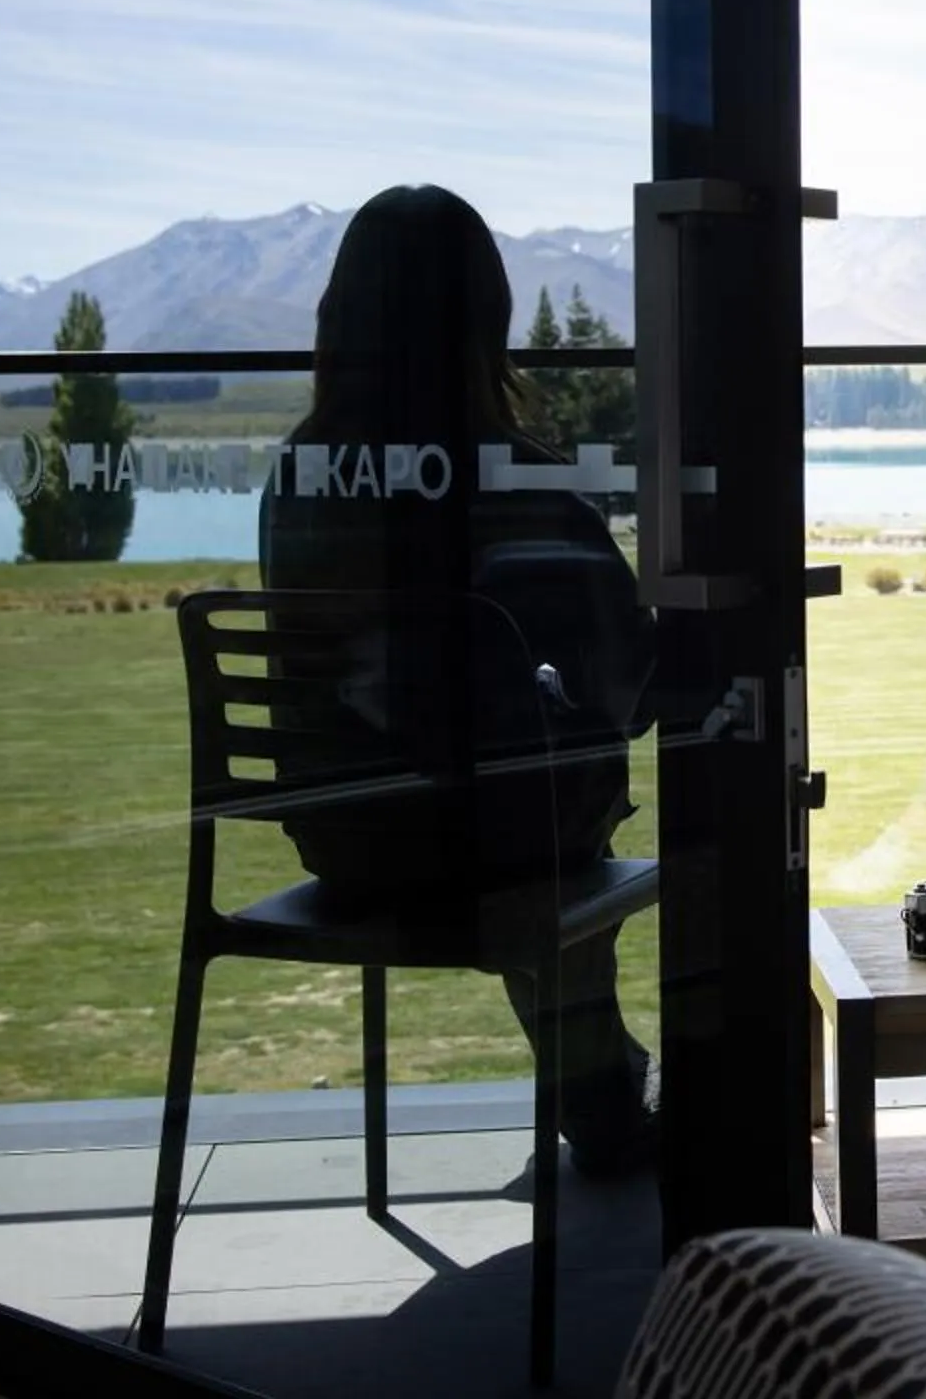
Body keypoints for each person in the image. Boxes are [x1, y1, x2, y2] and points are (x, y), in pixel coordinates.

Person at [261, 184, 660, 1176]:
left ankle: (603, 1079)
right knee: (548, 794)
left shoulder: (300, 477)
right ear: (488, 316)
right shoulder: (519, 481)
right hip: (493, 855)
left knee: (511, 790)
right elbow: (630, 683)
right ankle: (604, 1088)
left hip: (347, 839)